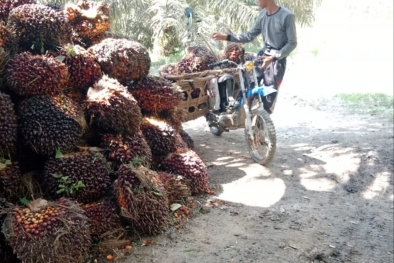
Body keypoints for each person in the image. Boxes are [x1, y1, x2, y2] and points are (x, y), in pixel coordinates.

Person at [212, 0, 297, 114]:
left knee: (269, 96)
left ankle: (262, 121)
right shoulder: (262, 14)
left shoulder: (287, 16)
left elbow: (292, 43)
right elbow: (249, 36)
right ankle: (239, 111)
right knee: (248, 82)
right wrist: (226, 37)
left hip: (276, 61)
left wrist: (273, 58)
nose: (256, 1)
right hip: (261, 57)